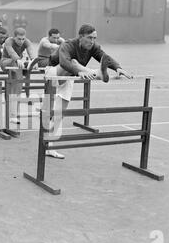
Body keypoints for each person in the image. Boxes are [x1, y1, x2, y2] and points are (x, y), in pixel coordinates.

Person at [45, 24, 133, 159]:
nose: (92, 41)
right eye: (89, 38)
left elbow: (104, 57)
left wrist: (117, 67)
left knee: (59, 113)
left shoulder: (93, 47)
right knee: (73, 61)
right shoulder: (68, 45)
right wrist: (80, 71)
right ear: (81, 37)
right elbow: (64, 62)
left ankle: (50, 148)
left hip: (71, 76)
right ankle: (98, 73)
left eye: (95, 38)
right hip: (54, 73)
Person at [1, 27, 36, 124]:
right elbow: (11, 52)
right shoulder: (9, 41)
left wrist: (33, 61)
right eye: (19, 39)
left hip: (17, 64)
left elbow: (31, 51)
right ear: (14, 37)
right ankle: (12, 114)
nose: (21, 41)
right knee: (15, 65)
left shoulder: (26, 41)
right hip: (6, 62)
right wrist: (17, 59)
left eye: (23, 39)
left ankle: (13, 114)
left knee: (17, 89)